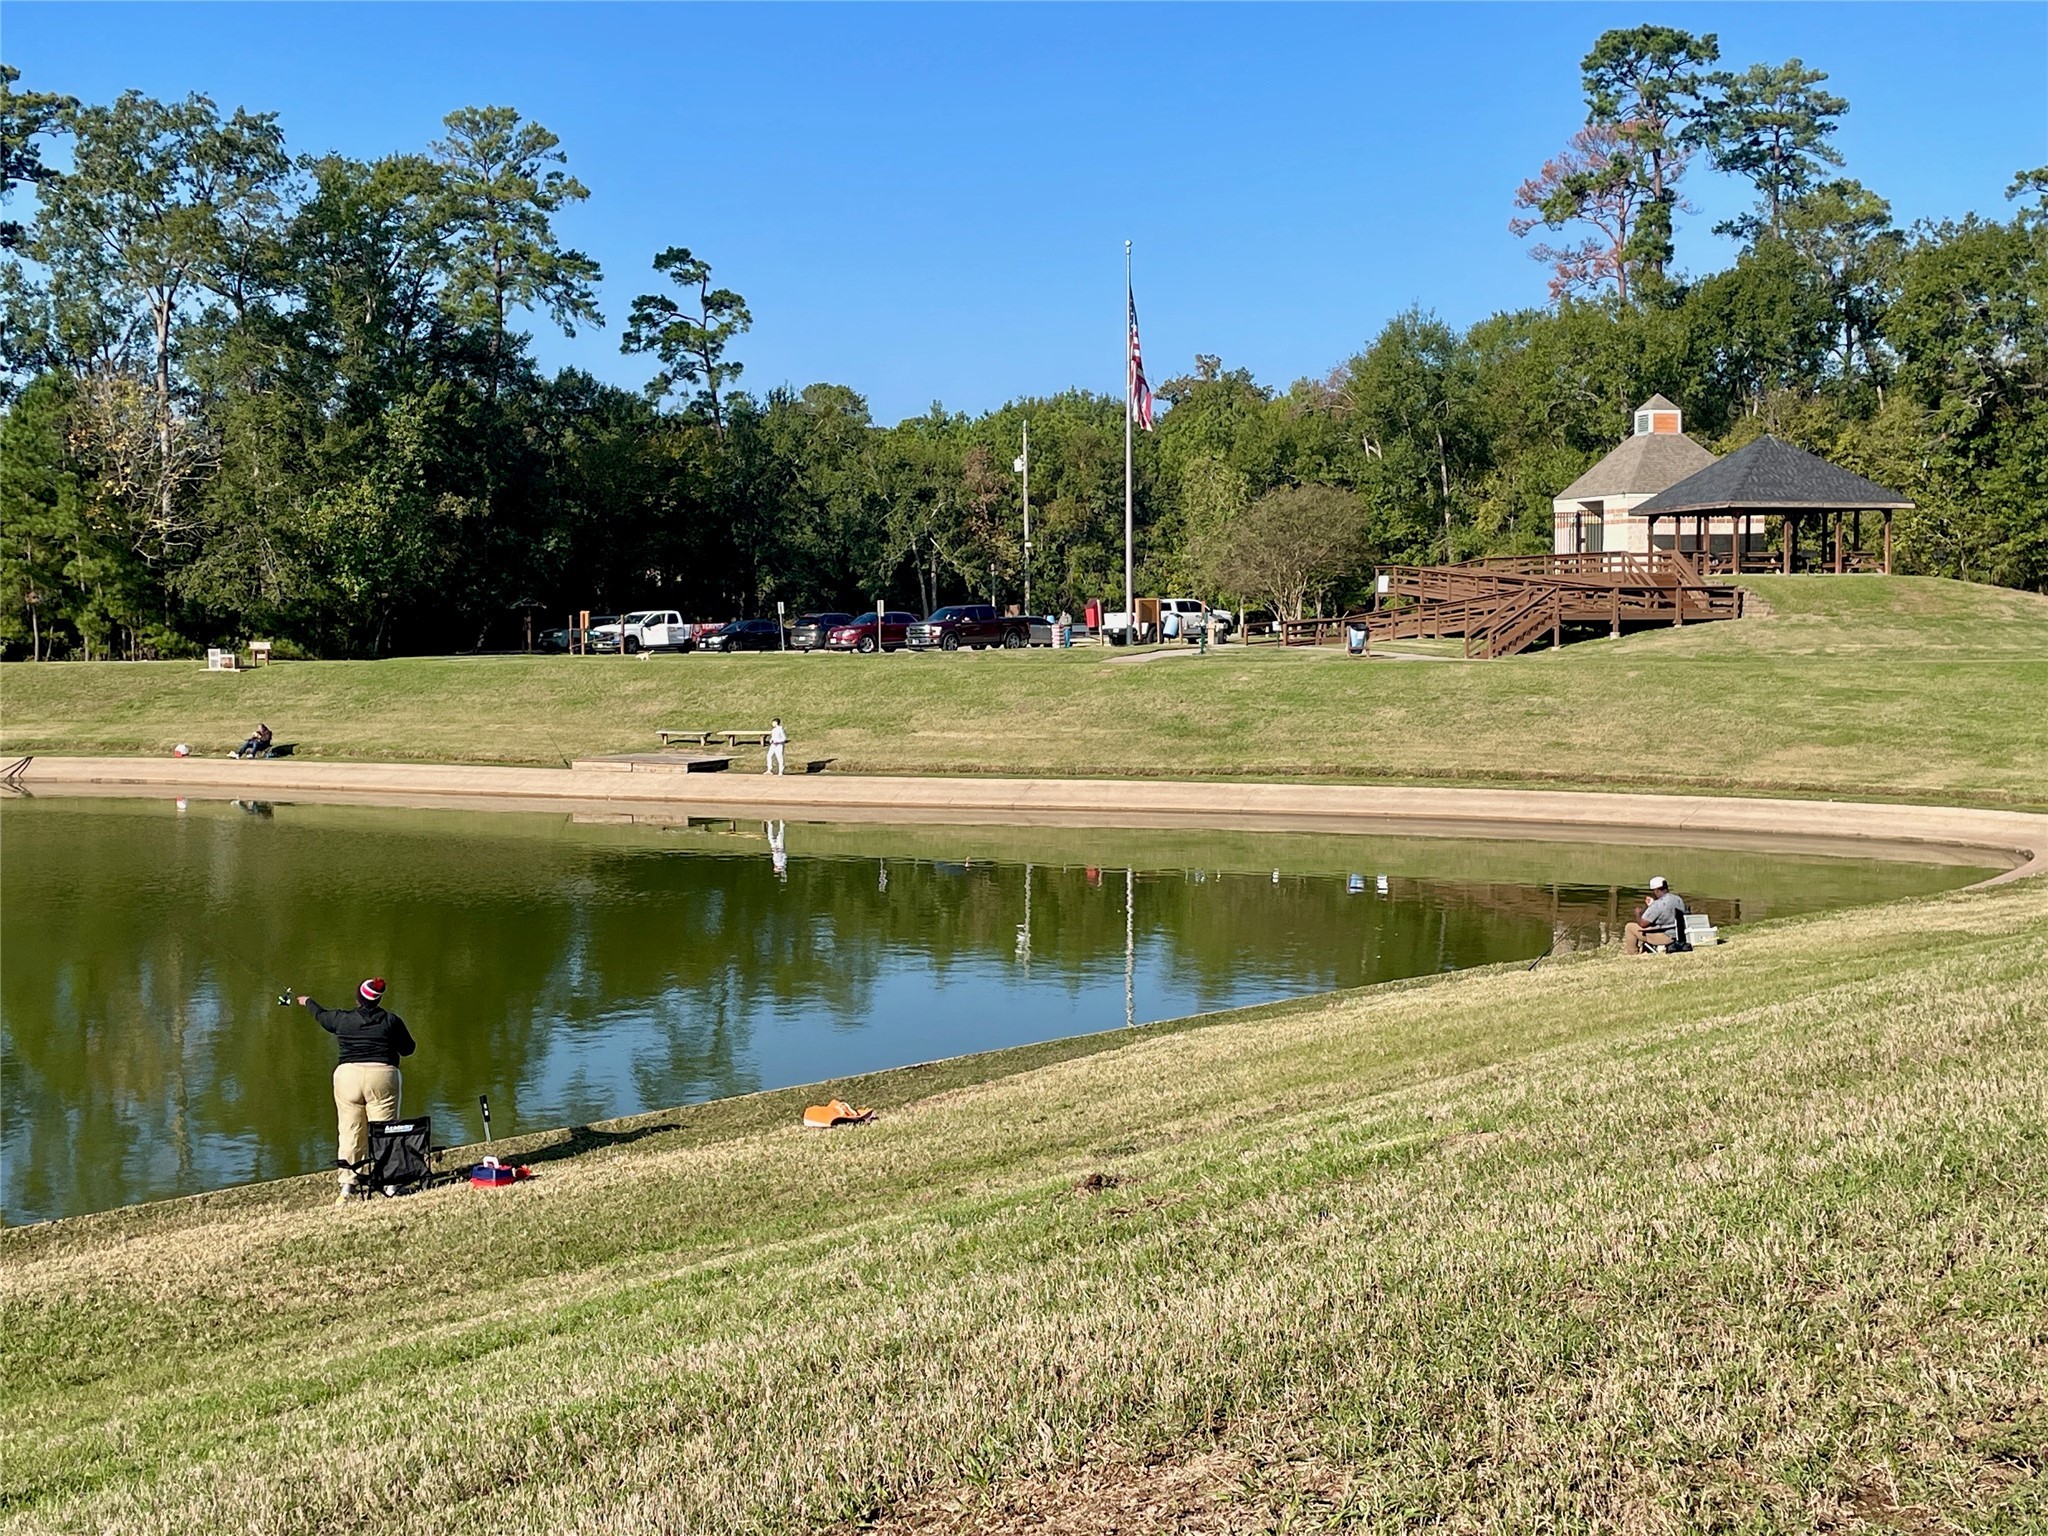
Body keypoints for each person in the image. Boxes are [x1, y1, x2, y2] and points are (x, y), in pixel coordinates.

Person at [296, 978, 415, 1203]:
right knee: (385, 1130)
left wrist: (307, 1001)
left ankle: (347, 1187)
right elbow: (409, 1049)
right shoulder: (391, 1020)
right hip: (382, 1077)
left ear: (358, 999)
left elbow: (321, 1016)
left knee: (349, 1130)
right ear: (378, 999)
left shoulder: (342, 1019)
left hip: (347, 1077)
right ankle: (389, 1185)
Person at [1625, 876, 1689, 955]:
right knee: (1652, 926)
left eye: (1653, 891)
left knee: (1630, 927)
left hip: (1666, 937)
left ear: (1657, 890)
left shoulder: (1657, 904)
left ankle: (1632, 954)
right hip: (1680, 935)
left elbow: (1643, 924)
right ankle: (1646, 951)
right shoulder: (1678, 899)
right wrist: (1652, 905)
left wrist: (1638, 914)